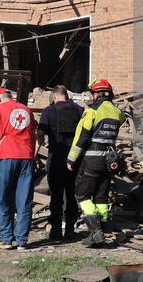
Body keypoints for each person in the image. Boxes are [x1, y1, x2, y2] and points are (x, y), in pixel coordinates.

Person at [66, 79, 126, 246]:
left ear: (98, 94)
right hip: (109, 161)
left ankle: (96, 231)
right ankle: (100, 230)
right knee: (101, 196)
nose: (92, 96)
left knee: (82, 194)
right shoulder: (118, 113)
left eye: (93, 93)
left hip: (91, 160)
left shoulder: (92, 111)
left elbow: (81, 137)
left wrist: (71, 159)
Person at [0, 87, 39, 250]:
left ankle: (6, 239)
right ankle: (22, 241)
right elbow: (34, 134)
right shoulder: (27, 110)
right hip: (26, 157)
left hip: (6, 157)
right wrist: (33, 155)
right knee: (24, 200)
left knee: (3, 198)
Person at [37, 85, 84, 239]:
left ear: (55, 97)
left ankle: (56, 230)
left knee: (56, 196)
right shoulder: (79, 110)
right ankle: (70, 229)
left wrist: (33, 155)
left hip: (55, 160)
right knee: (71, 195)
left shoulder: (49, 110)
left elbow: (40, 135)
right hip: (74, 160)